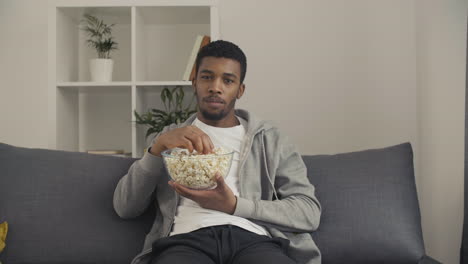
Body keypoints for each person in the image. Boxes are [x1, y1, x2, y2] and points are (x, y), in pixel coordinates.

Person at [113, 40, 322, 264]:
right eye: (207, 77)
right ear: (194, 82)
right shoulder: (170, 137)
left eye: (228, 80)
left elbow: (308, 212)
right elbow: (126, 207)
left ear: (240, 90)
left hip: (253, 240)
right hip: (186, 241)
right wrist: (157, 148)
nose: (216, 87)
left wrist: (234, 205)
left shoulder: (270, 138)